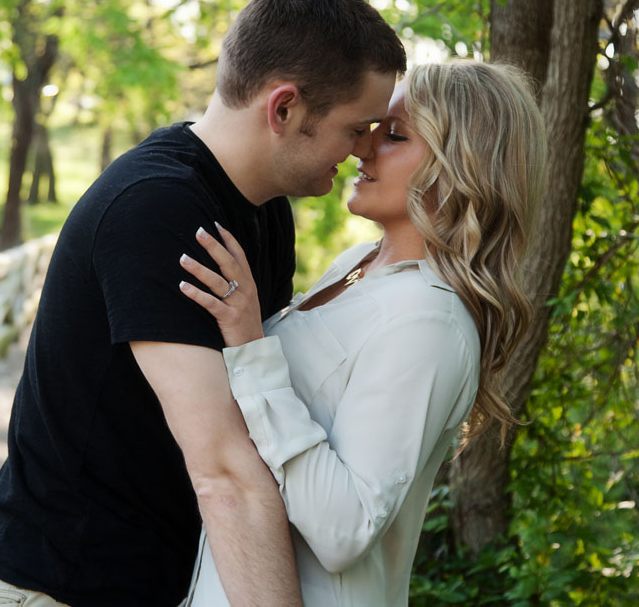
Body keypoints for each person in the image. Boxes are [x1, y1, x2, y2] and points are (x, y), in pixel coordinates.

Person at [0, 0, 407, 607]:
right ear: (284, 109)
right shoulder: (157, 207)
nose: (363, 150)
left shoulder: (265, 209)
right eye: (357, 128)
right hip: (50, 587)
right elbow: (225, 473)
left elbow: (257, 405)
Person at [177, 60, 547, 606]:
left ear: (459, 169)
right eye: (371, 129)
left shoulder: (429, 320)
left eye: (394, 136)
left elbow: (344, 529)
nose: (362, 148)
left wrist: (252, 347)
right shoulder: (358, 265)